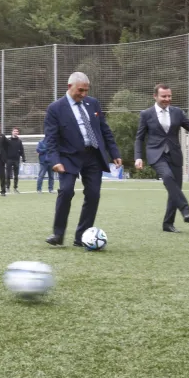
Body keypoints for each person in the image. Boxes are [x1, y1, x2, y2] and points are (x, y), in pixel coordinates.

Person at [43, 71, 122, 247]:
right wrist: (55, 160)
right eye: (81, 90)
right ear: (69, 86)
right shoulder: (55, 108)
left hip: (93, 155)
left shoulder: (92, 103)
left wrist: (115, 153)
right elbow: (51, 139)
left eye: (86, 90)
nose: (84, 94)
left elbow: (104, 130)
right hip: (68, 157)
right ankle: (58, 234)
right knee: (66, 191)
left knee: (93, 195)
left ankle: (82, 237)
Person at [134, 83, 189, 232]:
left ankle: (168, 224)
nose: (167, 99)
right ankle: (184, 207)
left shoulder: (177, 112)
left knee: (175, 189)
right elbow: (139, 138)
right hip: (156, 154)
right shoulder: (146, 114)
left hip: (174, 154)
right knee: (168, 178)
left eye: (169, 96)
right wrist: (138, 157)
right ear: (155, 96)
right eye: (164, 96)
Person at [5, 127, 26, 193]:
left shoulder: (19, 141)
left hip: (16, 160)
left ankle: (15, 188)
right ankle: (7, 187)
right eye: (14, 131)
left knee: (16, 175)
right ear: (12, 132)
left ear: (18, 133)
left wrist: (23, 158)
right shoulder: (8, 140)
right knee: (8, 174)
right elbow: (4, 150)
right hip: (9, 160)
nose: (16, 132)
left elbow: (22, 150)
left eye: (17, 131)